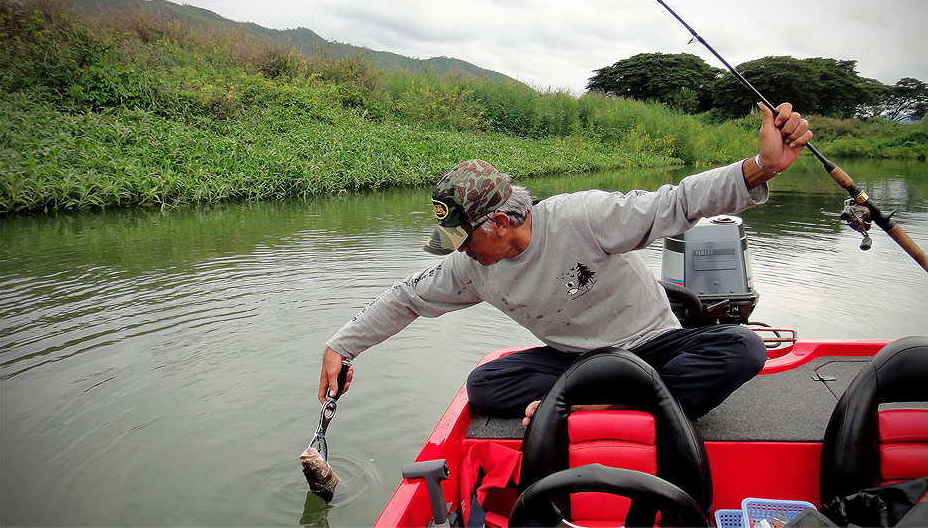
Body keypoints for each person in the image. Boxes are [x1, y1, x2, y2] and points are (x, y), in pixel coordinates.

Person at [318, 102, 812, 423]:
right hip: (578, 362)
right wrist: (343, 346)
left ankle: (592, 410)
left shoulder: (582, 217)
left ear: (497, 223)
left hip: (653, 345)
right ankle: (618, 406)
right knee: (486, 385)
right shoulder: (471, 267)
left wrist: (761, 167)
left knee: (742, 348)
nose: (458, 252)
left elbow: (676, 203)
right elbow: (407, 297)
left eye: (463, 240)